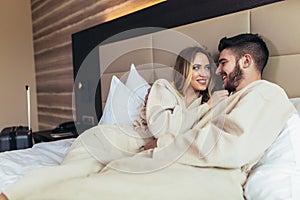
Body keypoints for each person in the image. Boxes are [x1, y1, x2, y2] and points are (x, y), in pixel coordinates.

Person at [0, 46, 226, 200]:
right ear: (185, 68)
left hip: (138, 155)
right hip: (114, 139)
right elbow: (161, 128)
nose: (203, 73)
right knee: (73, 171)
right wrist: (204, 109)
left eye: (207, 67)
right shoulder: (163, 88)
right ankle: (9, 195)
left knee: (93, 185)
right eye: (197, 67)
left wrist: (204, 108)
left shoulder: (205, 105)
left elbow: (185, 140)